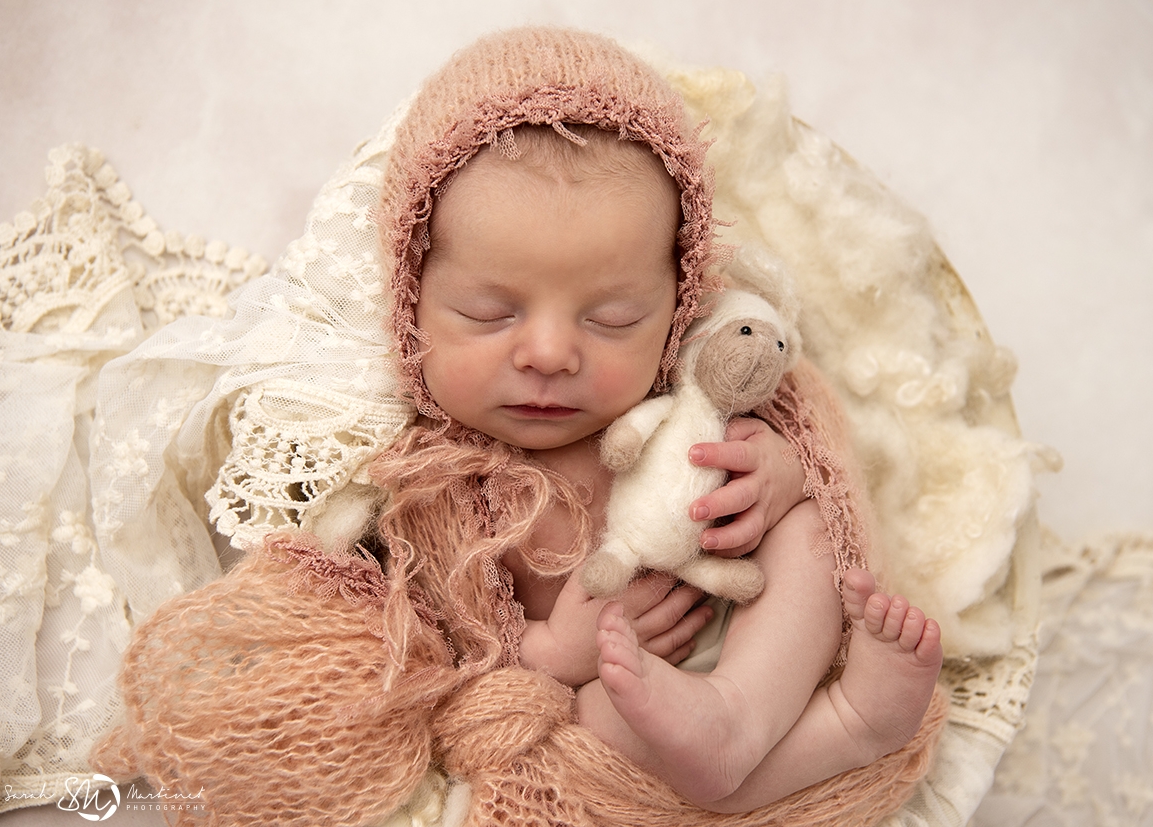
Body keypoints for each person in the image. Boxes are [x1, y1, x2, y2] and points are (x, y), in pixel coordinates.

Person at [394, 108, 943, 811]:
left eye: (613, 319)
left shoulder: (688, 388)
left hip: (757, 648)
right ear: (410, 301)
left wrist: (781, 474)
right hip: (607, 690)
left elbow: (826, 459)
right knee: (594, 726)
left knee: (808, 537)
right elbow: (424, 648)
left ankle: (744, 711)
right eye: (487, 312)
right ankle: (847, 729)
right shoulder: (431, 483)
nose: (550, 354)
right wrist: (552, 654)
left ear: (678, 306)